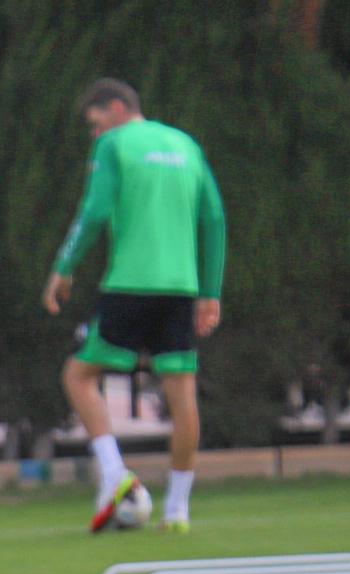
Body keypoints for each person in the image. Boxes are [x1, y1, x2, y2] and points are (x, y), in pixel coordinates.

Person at [44, 78, 226, 533]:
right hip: (181, 287)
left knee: (79, 375)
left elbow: (95, 209)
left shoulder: (115, 146)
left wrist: (64, 266)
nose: (95, 133)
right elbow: (214, 218)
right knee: (182, 394)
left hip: (130, 283)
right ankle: (178, 510)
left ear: (117, 107)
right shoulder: (185, 145)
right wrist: (210, 292)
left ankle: (113, 476)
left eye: (96, 122)